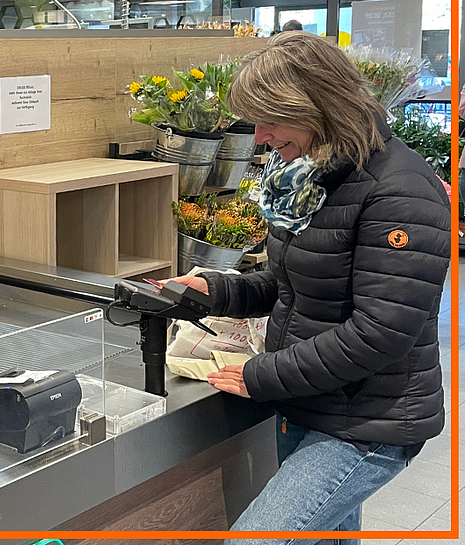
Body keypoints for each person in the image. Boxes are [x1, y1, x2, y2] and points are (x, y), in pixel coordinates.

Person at [171, 32, 448, 544]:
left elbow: (380, 332)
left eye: (270, 119)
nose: (258, 136)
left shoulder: (401, 191)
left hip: (367, 423)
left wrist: (263, 374)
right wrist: (217, 289)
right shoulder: (311, 177)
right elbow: (292, 283)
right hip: (313, 400)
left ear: (318, 105)